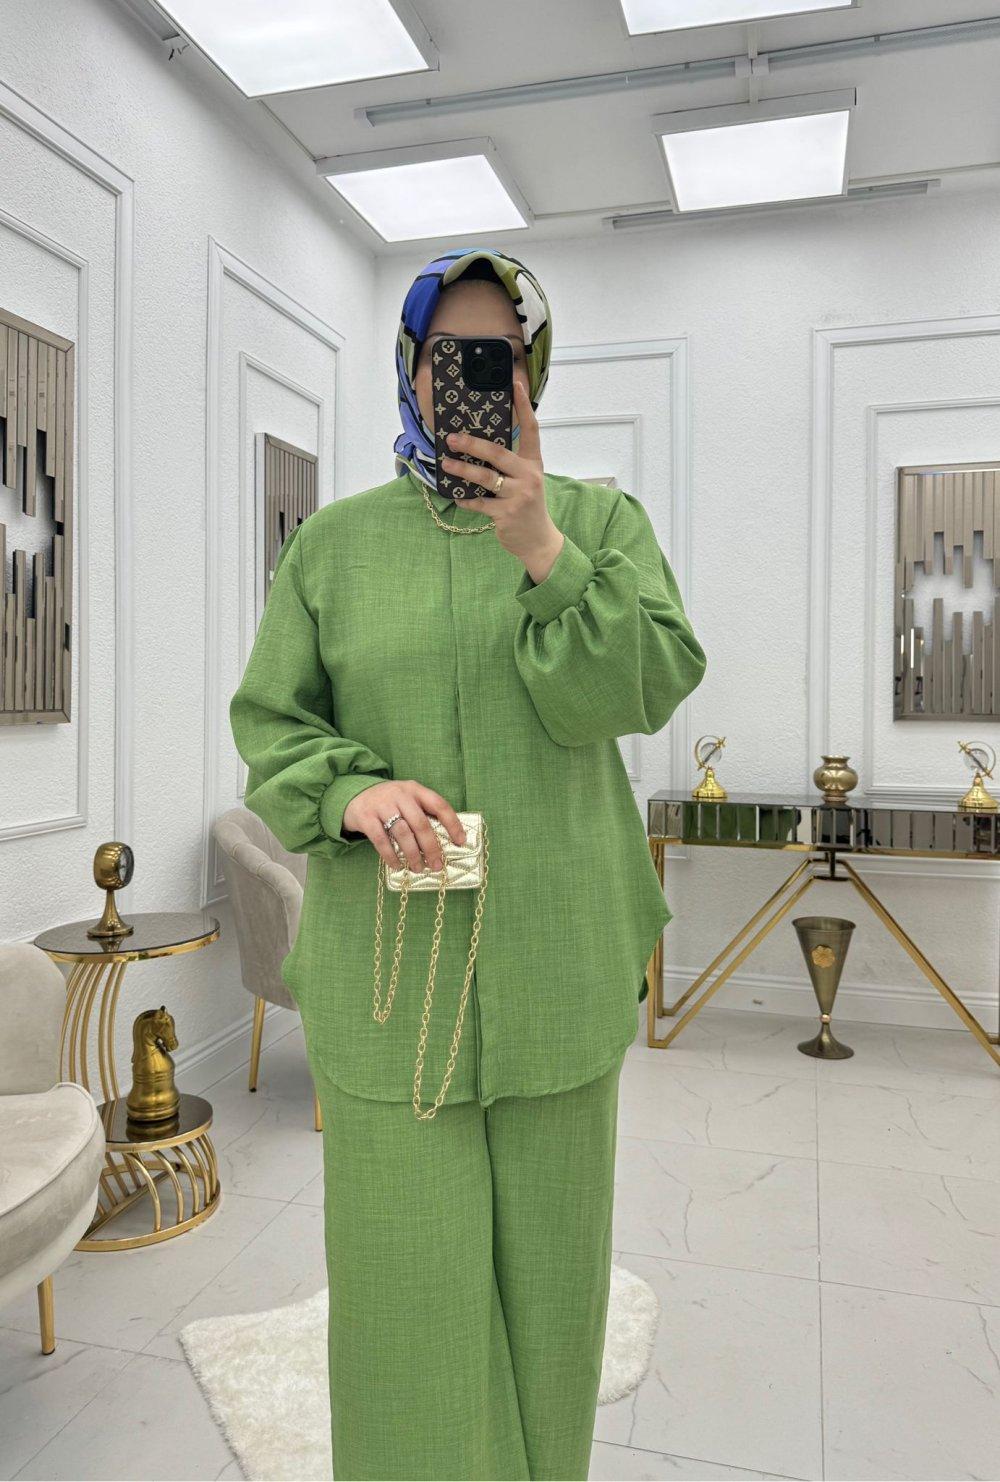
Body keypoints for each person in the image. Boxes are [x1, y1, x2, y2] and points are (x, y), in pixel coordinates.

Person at [229, 246, 707, 1481]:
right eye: (452, 356)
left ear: (531, 372)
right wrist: (351, 792)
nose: (474, 379)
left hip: (558, 959)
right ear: (412, 368)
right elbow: (272, 726)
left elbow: (639, 688)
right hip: (393, 982)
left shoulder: (599, 524)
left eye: (499, 356)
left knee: (553, 1297)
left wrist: (543, 547)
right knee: (404, 1300)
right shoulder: (333, 546)